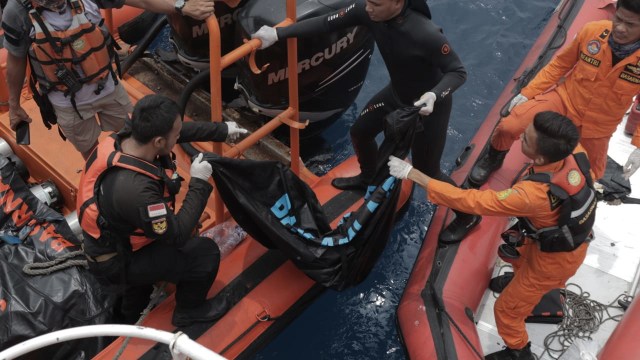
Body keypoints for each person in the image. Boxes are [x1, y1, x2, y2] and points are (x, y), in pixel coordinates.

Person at [251, 0, 478, 243]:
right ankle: (368, 176)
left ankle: (468, 215)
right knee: (360, 132)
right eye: (368, 2)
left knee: (427, 171)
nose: (368, 8)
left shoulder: (425, 32)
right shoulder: (369, 11)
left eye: (376, 4)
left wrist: (434, 95)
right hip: (396, 95)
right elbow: (327, 22)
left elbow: (457, 72)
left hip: (428, 108)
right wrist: (278, 33)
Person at [388, 111, 597, 360]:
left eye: (526, 139)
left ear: (540, 156)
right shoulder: (577, 153)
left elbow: (472, 201)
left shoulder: (533, 195)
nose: (520, 137)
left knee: (507, 311)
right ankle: (520, 285)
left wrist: (413, 174)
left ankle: (518, 351)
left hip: (553, 261)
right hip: (551, 239)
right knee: (519, 259)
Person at [76, 95, 246, 326]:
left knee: (135, 299)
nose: (179, 137)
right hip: (119, 260)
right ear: (157, 142)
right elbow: (177, 234)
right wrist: (199, 182)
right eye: (175, 136)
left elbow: (175, 131)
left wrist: (221, 130)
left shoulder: (128, 137)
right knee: (204, 253)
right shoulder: (136, 192)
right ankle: (189, 311)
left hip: (119, 241)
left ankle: (129, 315)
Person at [2, 0, 216, 159]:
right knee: (91, 153)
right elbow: (16, 59)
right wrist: (14, 105)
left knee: (136, 134)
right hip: (67, 103)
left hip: (107, 87)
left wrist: (180, 5)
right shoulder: (17, 13)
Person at [469, 0, 640, 187]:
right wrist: (528, 93)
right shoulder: (592, 32)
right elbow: (560, 65)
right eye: (618, 19)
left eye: (630, 24)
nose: (620, 28)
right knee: (509, 126)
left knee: (591, 175)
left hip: (598, 125)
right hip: (564, 101)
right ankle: (493, 158)